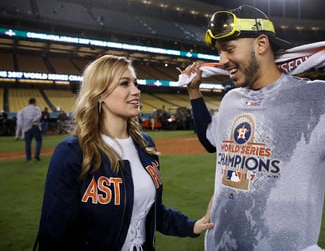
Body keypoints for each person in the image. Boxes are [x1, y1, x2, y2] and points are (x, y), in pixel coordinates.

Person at [184, 5, 325, 251]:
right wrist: (193, 92)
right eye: (219, 52)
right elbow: (210, 142)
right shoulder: (231, 100)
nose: (221, 61)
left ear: (261, 44)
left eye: (228, 49)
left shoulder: (319, 100)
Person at [34, 55, 214, 251]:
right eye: (124, 84)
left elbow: (153, 212)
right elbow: (54, 235)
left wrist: (193, 226)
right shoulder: (73, 152)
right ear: (100, 93)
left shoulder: (146, 145)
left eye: (135, 84)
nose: (136, 91)